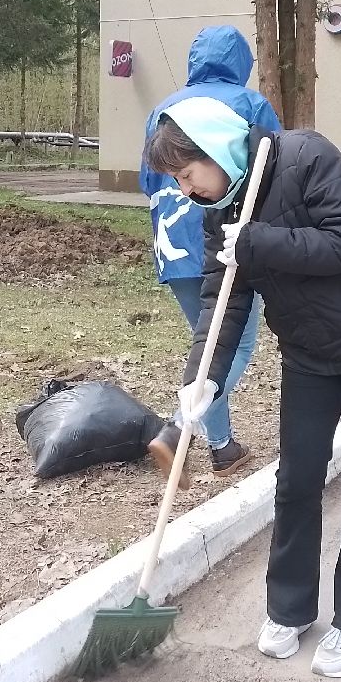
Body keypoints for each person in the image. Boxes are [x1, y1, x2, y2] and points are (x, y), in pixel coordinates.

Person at [143, 95, 341, 680]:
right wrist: (204, 378)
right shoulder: (219, 211)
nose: (186, 188)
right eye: (176, 179)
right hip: (310, 354)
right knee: (296, 478)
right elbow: (223, 300)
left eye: (186, 173)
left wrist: (257, 242)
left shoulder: (307, 158)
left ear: (216, 151)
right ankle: (290, 608)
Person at [139, 26, 281, 480]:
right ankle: (179, 428)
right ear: (241, 62)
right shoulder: (248, 103)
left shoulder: (163, 108)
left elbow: (147, 178)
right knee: (234, 342)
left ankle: (222, 447)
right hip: (226, 237)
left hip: (172, 243)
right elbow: (272, 168)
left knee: (209, 343)